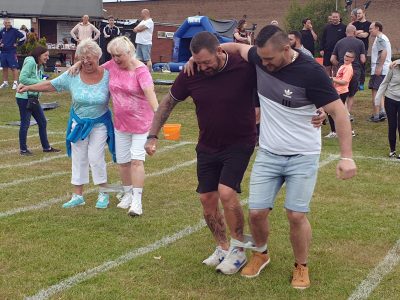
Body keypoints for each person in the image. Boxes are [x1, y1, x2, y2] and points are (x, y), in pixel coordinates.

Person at [219, 25, 356, 288]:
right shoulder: (261, 56)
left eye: (270, 59)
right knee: (257, 212)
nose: (265, 64)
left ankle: (301, 266)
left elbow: (339, 113)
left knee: (295, 215)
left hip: (303, 155)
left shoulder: (311, 72)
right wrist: (209, 52)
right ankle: (261, 253)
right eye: (262, 58)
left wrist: (346, 156)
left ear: (287, 48)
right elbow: (236, 48)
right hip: (269, 152)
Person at [145, 31, 258, 275]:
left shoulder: (243, 65)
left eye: (207, 62)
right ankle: (222, 246)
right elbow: (168, 102)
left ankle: (238, 250)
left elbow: (275, 75)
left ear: (220, 52)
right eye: (198, 62)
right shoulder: (192, 72)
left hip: (240, 142)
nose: (204, 67)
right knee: (207, 200)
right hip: (207, 144)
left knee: (227, 193)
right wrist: (152, 134)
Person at [17, 39, 115, 209]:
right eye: (82, 58)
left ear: (98, 57)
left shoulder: (108, 74)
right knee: (78, 158)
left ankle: (103, 193)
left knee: (96, 157)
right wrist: (28, 87)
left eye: (89, 58)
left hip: (100, 123)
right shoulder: (73, 75)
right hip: (78, 122)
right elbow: (51, 85)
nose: (85, 62)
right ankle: (78, 195)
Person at [15, 46, 60, 155]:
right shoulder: (30, 62)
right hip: (24, 97)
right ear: (39, 54)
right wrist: (40, 82)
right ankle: (23, 150)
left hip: (33, 98)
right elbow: (22, 78)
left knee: (42, 122)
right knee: (25, 123)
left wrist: (43, 80)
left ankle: (46, 147)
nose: (47, 58)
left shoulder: (39, 65)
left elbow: (35, 78)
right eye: (46, 55)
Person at [330, 24, 366, 120]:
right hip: (355, 71)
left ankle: (340, 113)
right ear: (355, 32)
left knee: (341, 93)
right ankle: (347, 114)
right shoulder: (360, 43)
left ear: (346, 32)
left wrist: (341, 65)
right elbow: (363, 60)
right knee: (351, 94)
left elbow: (332, 59)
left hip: (342, 72)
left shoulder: (339, 42)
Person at [326, 50, 356, 138]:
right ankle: (343, 131)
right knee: (336, 112)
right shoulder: (343, 66)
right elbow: (339, 78)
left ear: (353, 59)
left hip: (341, 92)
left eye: (349, 57)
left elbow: (344, 81)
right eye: (346, 56)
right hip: (337, 91)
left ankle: (335, 132)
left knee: (334, 112)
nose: (346, 58)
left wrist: (332, 79)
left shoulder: (348, 68)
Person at [374, 59, 400, 158]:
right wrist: (377, 99)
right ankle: (392, 150)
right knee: (392, 125)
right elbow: (384, 83)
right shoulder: (393, 68)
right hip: (390, 99)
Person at [368, 21, 392, 122]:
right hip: (383, 68)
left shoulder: (381, 38)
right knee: (380, 91)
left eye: (371, 29)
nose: (369, 31)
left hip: (380, 69)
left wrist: (379, 67)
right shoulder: (381, 38)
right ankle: (382, 112)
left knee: (375, 92)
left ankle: (377, 115)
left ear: (377, 28)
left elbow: (384, 52)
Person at [0, 18, 25, 90]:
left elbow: (23, 37)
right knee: (4, 67)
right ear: (4, 23)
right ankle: (5, 83)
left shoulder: (14, 31)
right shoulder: (2, 31)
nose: (8, 24)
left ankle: (15, 83)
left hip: (11, 52)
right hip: (3, 52)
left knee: (14, 68)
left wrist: (17, 44)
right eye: (6, 23)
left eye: (9, 22)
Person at [320, 11, 347, 76]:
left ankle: (335, 83)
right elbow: (322, 39)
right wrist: (321, 49)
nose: (335, 18)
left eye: (336, 17)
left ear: (339, 18)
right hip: (327, 51)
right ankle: (328, 83)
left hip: (339, 51)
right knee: (327, 67)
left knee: (336, 67)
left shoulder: (344, 27)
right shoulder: (327, 27)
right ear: (331, 18)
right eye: (333, 17)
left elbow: (346, 39)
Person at [353, 8, 371, 90]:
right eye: (357, 14)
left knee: (362, 65)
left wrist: (357, 32)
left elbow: (365, 36)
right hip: (354, 47)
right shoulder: (354, 24)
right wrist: (361, 31)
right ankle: (354, 83)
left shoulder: (369, 24)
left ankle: (361, 84)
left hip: (364, 48)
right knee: (354, 65)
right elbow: (353, 34)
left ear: (364, 13)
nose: (358, 15)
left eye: (359, 13)